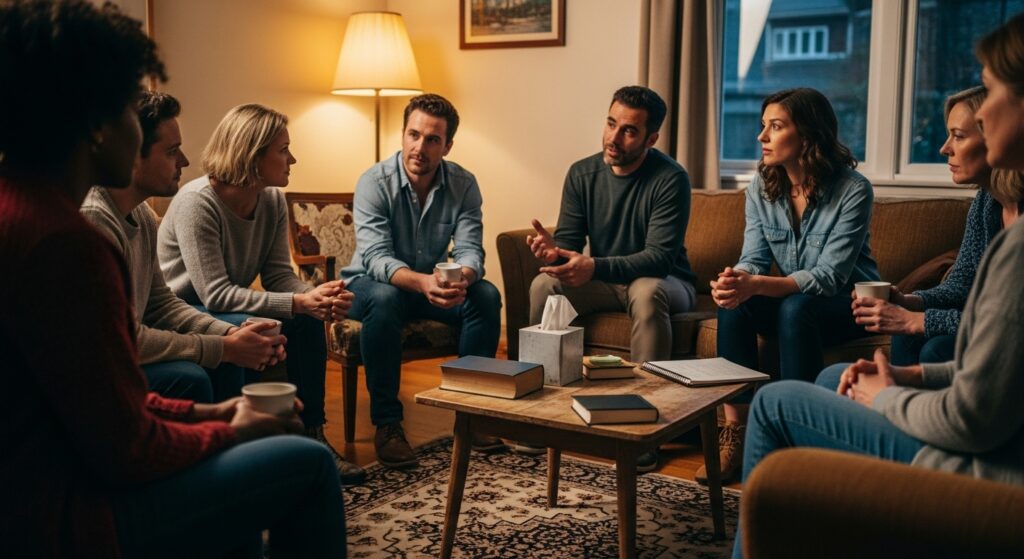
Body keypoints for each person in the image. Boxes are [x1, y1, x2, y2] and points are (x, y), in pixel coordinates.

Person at [0, 1, 345, 557]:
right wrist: (229, 431)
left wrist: (212, 413)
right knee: (306, 465)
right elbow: (127, 447)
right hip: (64, 514)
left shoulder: (24, 208)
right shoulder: (66, 244)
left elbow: (111, 400)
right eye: (127, 110)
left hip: (65, 474)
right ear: (93, 125)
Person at [730, 16, 1024, 558]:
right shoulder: (991, 209)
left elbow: (973, 416)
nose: (949, 143)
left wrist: (890, 390)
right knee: (829, 370)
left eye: (992, 96)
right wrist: (911, 354)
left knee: (774, 399)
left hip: (990, 471)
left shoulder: (855, 190)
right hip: (992, 431)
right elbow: (996, 347)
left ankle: (812, 481)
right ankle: (812, 482)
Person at [157, 103, 366, 485]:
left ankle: (311, 436)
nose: (293, 159)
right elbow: (215, 294)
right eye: (283, 150)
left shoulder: (270, 199)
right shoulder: (196, 203)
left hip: (223, 306)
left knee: (305, 316)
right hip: (185, 312)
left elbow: (279, 277)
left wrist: (315, 295)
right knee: (251, 327)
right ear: (253, 157)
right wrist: (298, 301)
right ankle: (238, 455)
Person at [708, 88, 879, 483]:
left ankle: (797, 441)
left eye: (775, 127)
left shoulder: (853, 190)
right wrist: (736, 280)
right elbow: (752, 257)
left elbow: (828, 277)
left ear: (807, 135)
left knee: (796, 306)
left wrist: (757, 283)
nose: (761, 137)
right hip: (795, 300)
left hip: (848, 304)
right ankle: (737, 431)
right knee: (733, 302)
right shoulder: (761, 187)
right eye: (762, 126)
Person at [525, 85, 696, 471]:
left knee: (647, 290)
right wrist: (555, 254)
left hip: (668, 281)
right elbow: (570, 244)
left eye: (629, 131)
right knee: (544, 285)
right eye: (610, 124)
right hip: (605, 282)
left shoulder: (671, 179)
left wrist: (594, 266)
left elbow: (658, 258)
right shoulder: (582, 173)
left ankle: (643, 429)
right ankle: (540, 414)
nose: (613, 138)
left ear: (651, 139)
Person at [81, 91, 282, 404]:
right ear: (134, 157)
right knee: (192, 376)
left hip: (123, 349)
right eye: (172, 151)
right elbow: (121, 338)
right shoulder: (95, 220)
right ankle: (211, 443)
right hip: (90, 371)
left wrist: (227, 335)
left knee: (226, 353)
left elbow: (160, 305)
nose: (185, 161)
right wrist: (222, 347)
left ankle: (232, 440)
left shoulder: (143, 214)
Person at [341, 93, 503, 469]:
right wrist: (425, 283)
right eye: (413, 135)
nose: (420, 147)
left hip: (429, 284)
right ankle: (387, 424)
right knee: (384, 298)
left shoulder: (464, 184)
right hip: (367, 285)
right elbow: (376, 259)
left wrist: (459, 279)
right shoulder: (374, 182)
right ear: (402, 134)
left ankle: (471, 414)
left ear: (447, 145)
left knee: (485, 295)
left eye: (432, 139)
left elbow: (470, 251)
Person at [850, 87, 1023, 366]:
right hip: (991, 328)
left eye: (958, 136)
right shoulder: (986, 204)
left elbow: (1011, 321)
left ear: (999, 137)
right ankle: (900, 406)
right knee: (907, 334)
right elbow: (961, 285)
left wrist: (920, 320)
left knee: (937, 348)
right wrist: (909, 302)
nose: (944, 148)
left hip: (1009, 336)